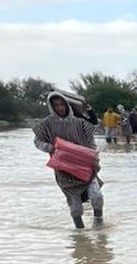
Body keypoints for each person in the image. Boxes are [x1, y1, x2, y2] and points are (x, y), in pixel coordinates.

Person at [33, 92, 103, 229]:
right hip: (64, 169)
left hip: (84, 165)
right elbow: (37, 141)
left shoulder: (79, 122)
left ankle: (99, 225)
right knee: (75, 204)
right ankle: (80, 232)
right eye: (56, 105)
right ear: (52, 106)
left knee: (97, 196)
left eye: (62, 104)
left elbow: (91, 139)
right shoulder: (47, 123)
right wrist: (50, 148)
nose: (60, 108)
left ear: (67, 104)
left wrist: (92, 156)